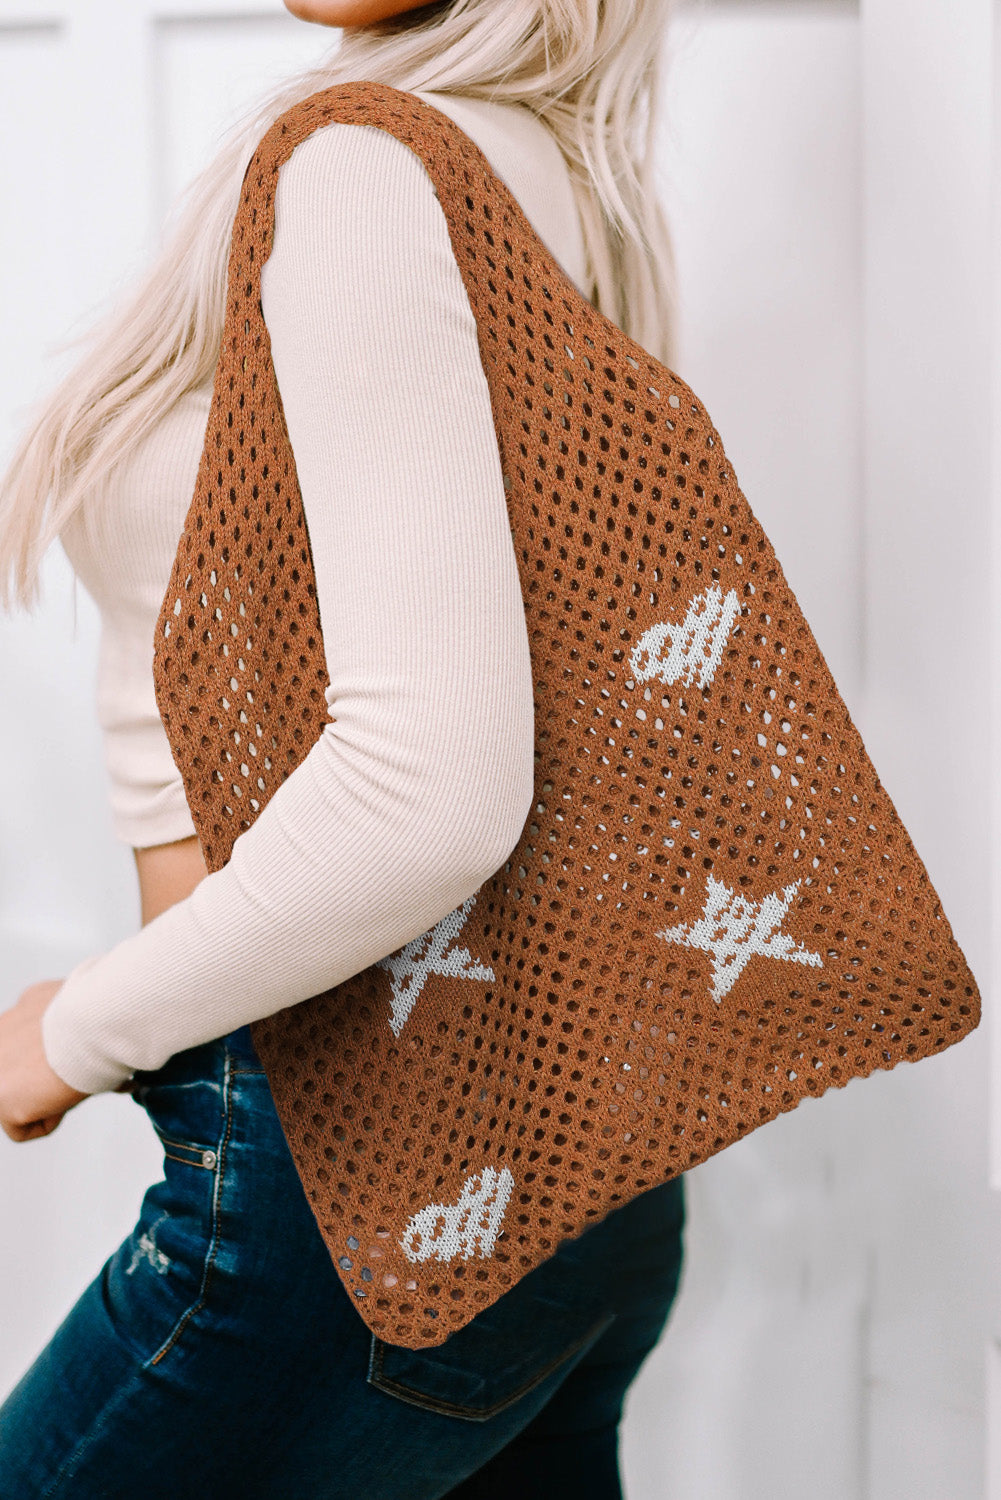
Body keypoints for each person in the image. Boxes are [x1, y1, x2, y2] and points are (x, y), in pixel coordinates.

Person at [0, 1, 685, 1494]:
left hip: (340, 1187)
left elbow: (431, 794)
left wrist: (68, 1032)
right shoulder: (561, 169)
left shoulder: (371, 170)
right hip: (582, 1160)